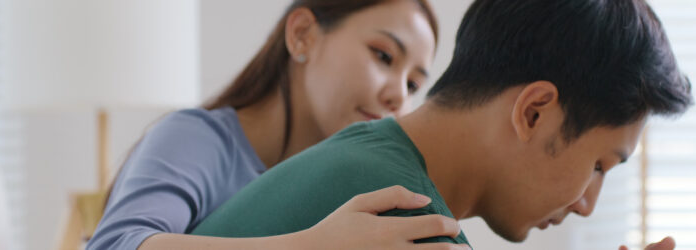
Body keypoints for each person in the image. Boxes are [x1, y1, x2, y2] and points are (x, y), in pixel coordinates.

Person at [190, 0, 693, 249]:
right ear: (533, 111)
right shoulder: (406, 219)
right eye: (600, 164)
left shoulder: (363, 153)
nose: (587, 205)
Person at [88, 1, 472, 250]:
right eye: (383, 55)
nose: (397, 97)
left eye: (413, 85)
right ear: (303, 35)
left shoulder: (351, 187)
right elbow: (118, 243)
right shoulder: (197, 138)